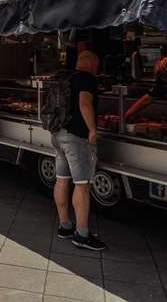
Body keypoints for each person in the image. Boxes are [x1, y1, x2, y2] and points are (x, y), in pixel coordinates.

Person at [52, 50, 105, 251]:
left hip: (58, 134)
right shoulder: (86, 78)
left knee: (61, 180)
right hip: (77, 137)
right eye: (97, 65)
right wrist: (92, 130)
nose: (97, 69)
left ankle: (65, 225)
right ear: (91, 63)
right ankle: (82, 234)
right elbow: (84, 103)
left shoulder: (66, 76)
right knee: (82, 185)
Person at [125, 55, 167, 121]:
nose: (166, 79)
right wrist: (125, 116)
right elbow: (146, 100)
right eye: (163, 76)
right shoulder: (161, 81)